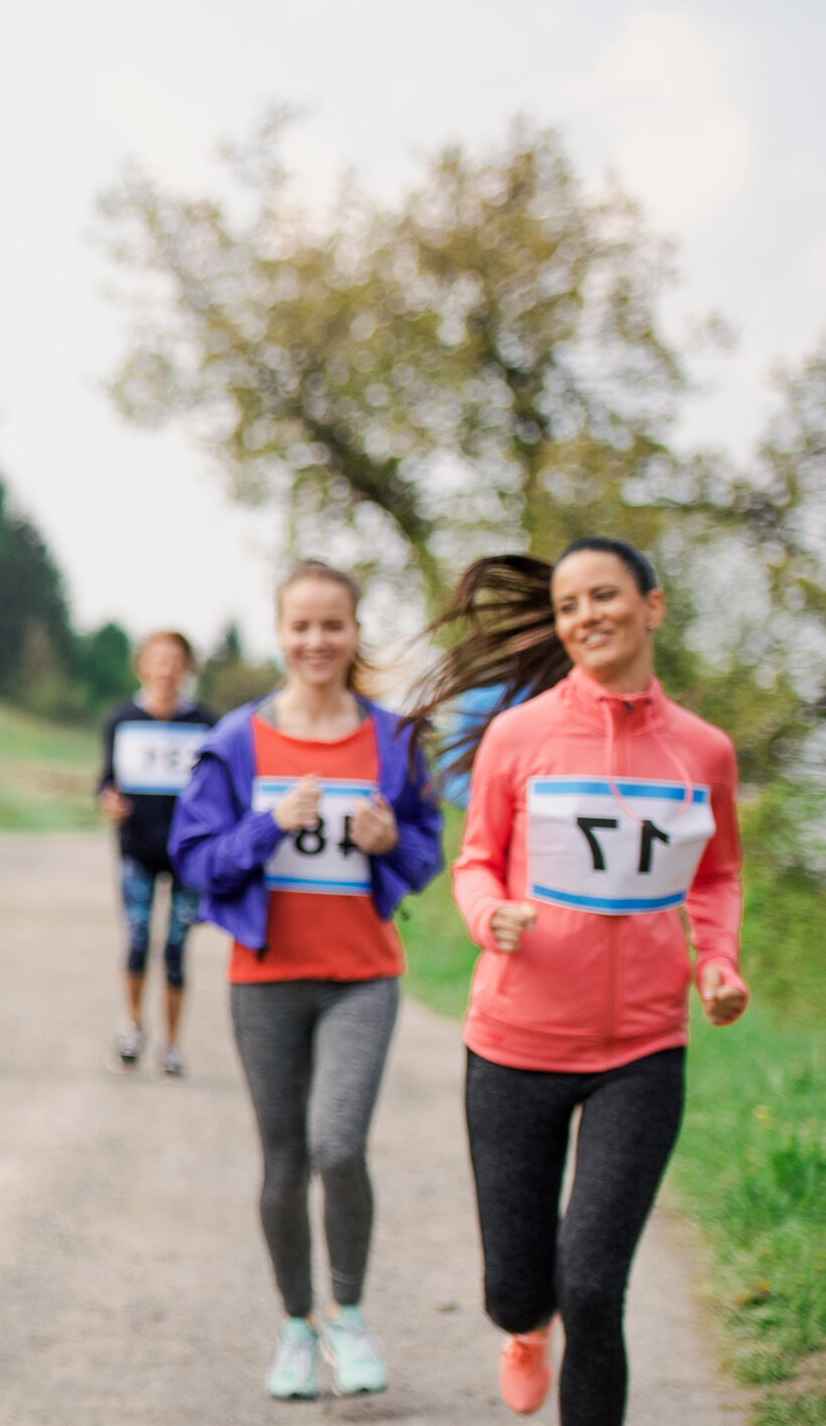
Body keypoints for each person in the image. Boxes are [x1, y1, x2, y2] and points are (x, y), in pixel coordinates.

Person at [413, 541, 749, 1424]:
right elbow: (476, 861)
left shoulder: (703, 752)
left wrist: (717, 961)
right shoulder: (518, 738)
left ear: (653, 607)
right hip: (515, 1045)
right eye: (568, 606)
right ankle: (524, 1331)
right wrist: (492, 917)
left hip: (642, 1051)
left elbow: (715, 877)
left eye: (603, 597)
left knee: (595, 1286)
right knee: (519, 1289)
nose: (585, 617)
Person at [170, 561, 444, 1402]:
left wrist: (391, 838)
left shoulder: (395, 740)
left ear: (356, 632)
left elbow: (429, 851)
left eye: (334, 625)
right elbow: (196, 860)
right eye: (302, 626)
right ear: (279, 632)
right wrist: (266, 826)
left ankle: (348, 1316)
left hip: (363, 977)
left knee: (339, 1144)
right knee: (284, 1159)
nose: (317, 641)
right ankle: (296, 1328)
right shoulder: (238, 742)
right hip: (267, 981)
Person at [95, 630, 218, 1077]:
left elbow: (218, 788)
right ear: (142, 665)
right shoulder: (121, 719)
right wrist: (107, 799)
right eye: (157, 659)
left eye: (175, 661)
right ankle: (132, 1026)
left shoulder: (206, 723)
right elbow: (105, 779)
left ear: (187, 668)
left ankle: (172, 1044)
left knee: (176, 949)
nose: (166, 669)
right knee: (138, 939)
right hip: (137, 850)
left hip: (187, 856)